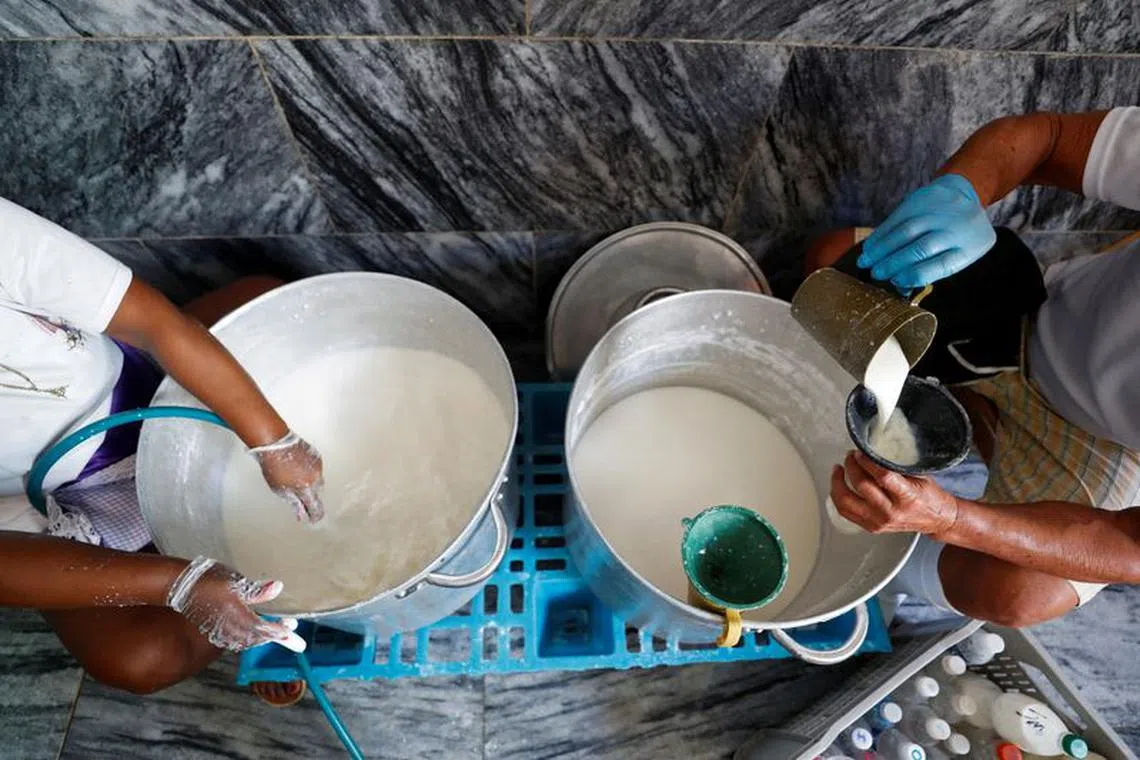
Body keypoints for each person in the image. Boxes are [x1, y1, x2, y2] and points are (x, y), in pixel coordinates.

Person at [812, 109, 1140, 626]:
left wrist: (953, 520)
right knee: (833, 264)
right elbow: (1050, 138)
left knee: (1019, 594)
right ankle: (971, 400)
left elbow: (1130, 544)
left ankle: (859, 557)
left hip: (1107, 439)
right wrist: (961, 192)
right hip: (1038, 322)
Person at [0, 197, 324, 693]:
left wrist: (273, 440)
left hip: (130, 381)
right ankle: (271, 608)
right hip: (53, 493)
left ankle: (265, 596)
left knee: (278, 301)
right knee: (139, 659)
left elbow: (153, 322)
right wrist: (178, 584)